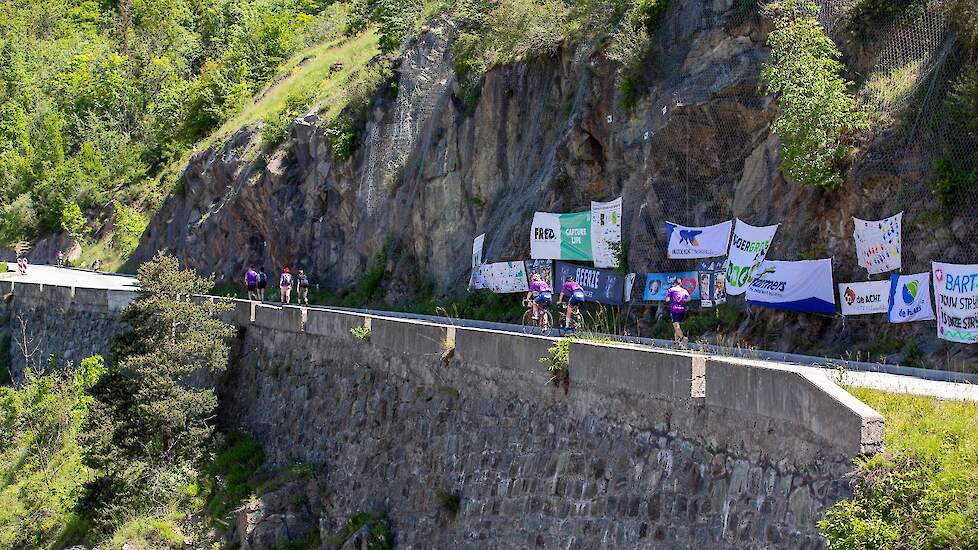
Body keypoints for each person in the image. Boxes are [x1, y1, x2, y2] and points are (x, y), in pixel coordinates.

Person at [666, 277, 691, 344]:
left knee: (676, 327)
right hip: (682, 310)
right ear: (680, 283)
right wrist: (682, 301)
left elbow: (667, 299)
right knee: (677, 327)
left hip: (674, 310)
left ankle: (683, 338)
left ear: (674, 283)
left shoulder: (671, 290)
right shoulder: (684, 290)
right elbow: (689, 299)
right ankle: (676, 343)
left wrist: (671, 299)